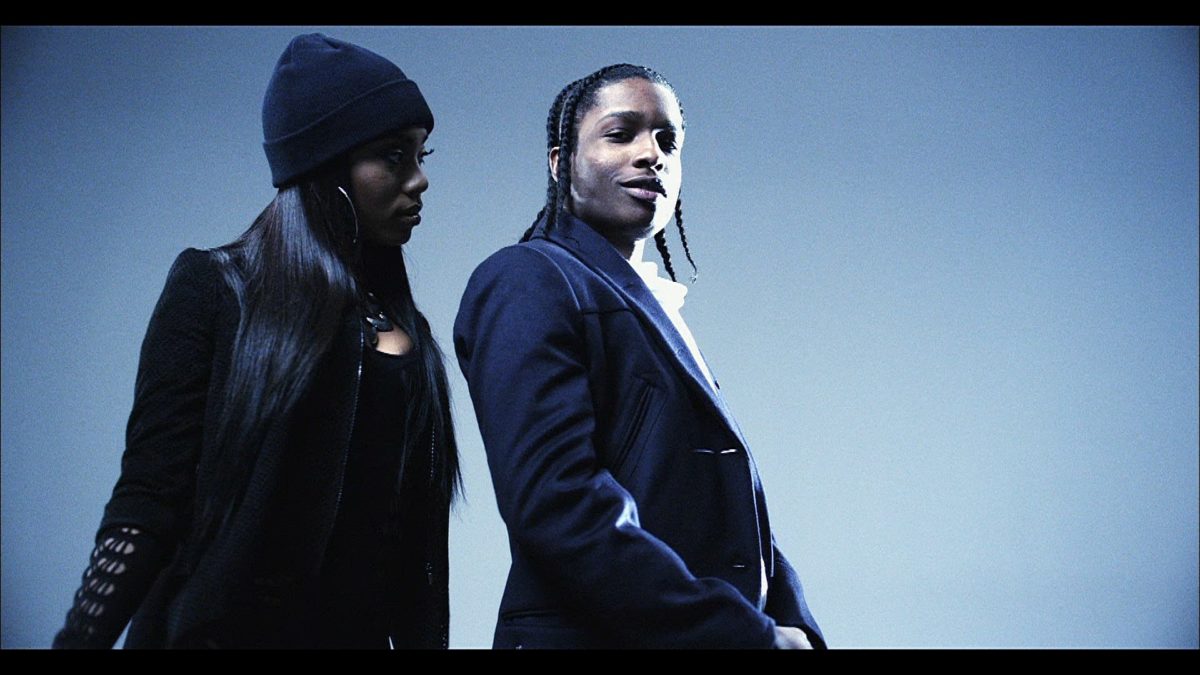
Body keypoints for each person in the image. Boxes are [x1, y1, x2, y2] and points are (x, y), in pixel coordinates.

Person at [52, 33, 461, 649]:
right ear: (326, 166)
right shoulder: (216, 288)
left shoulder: (411, 332)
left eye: (421, 154)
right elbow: (149, 500)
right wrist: (80, 640)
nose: (420, 179)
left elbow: (419, 559)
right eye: (394, 156)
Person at [453, 63, 826, 649]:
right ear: (560, 163)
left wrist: (793, 623)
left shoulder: (651, 303)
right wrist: (740, 635)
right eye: (620, 133)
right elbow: (559, 508)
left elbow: (726, 498)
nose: (652, 154)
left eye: (667, 141)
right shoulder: (528, 279)